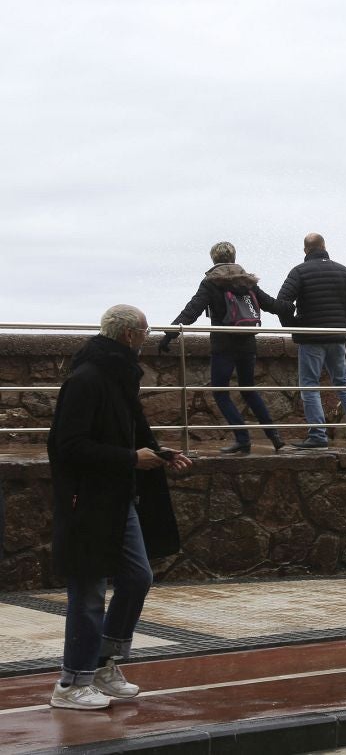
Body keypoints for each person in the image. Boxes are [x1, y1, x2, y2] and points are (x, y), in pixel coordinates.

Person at [47, 305, 192, 711]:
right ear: (129, 334)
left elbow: (132, 430)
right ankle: (71, 683)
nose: (147, 338)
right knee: (89, 590)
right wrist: (131, 459)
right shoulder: (87, 378)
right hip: (87, 501)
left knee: (137, 576)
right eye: (145, 332)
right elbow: (68, 446)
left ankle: (103, 664)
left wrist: (160, 454)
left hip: (118, 497)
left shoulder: (119, 375)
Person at [158, 241, 289, 454]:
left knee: (220, 392)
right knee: (248, 389)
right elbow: (272, 305)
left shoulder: (211, 283)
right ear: (234, 258)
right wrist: (293, 307)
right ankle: (274, 436)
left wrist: (169, 334)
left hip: (223, 346)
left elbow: (192, 311)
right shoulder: (247, 282)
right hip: (247, 343)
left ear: (213, 259)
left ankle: (242, 438)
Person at [277, 233, 346, 450]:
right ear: (324, 246)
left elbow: (282, 303)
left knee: (310, 385)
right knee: (344, 386)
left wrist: (294, 326)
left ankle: (317, 436)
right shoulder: (344, 272)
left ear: (305, 250)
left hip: (312, 339)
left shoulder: (299, 271)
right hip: (337, 338)